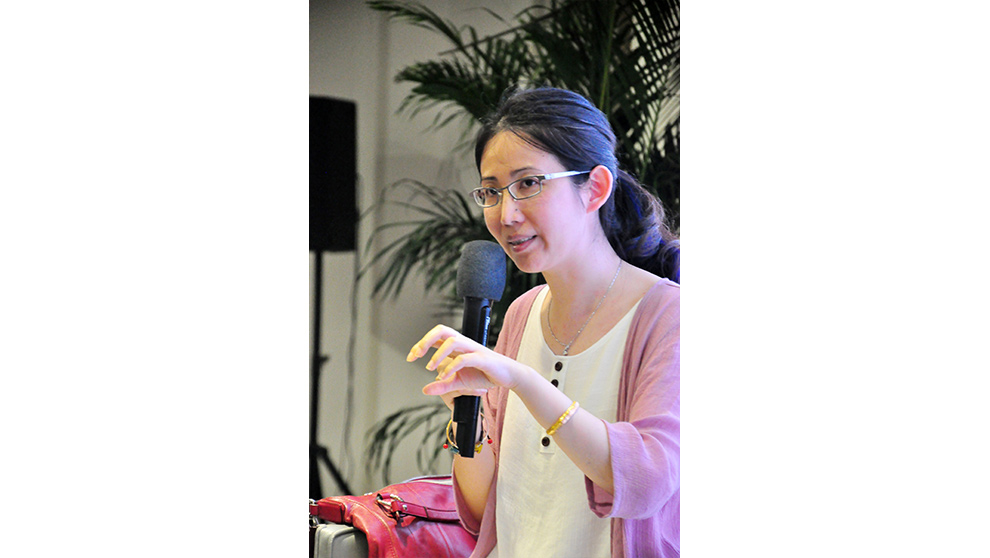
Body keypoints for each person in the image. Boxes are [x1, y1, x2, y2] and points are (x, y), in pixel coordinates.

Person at [406, 87, 680, 558]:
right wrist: (467, 413)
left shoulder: (668, 315)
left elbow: (649, 479)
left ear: (595, 188)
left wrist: (527, 383)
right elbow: (485, 511)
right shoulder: (522, 312)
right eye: (492, 192)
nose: (506, 214)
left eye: (529, 183)